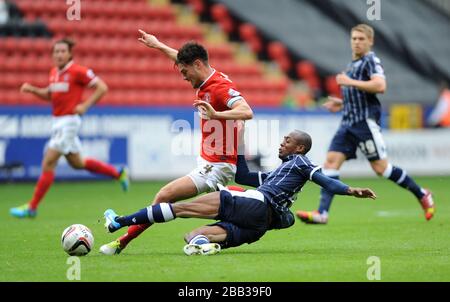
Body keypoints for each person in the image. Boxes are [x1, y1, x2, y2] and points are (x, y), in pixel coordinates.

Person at [98, 30, 254, 255]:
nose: (183, 76)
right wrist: (158, 45)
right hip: (211, 161)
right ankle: (120, 238)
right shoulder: (207, 77)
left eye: (184, 71)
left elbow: (246, 111)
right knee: (166, 199)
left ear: (198, 65)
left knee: (164, 196)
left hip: (216, 166)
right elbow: (180, 58)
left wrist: (216, 115)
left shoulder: (218, 87)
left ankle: (119, 238)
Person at [102, 130, 376, 255]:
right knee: (192, 236)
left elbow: (326, 181)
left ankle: (119, 222)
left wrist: (351, 190)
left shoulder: (302, 163)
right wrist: (241, 143)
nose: (282, 144)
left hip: (258, 203)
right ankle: (208, 246)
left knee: (180, 208)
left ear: (300, 148)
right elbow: (244, 176)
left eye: (287, 141)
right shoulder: (278, 175)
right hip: (259, 225)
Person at [296, 24, 435, 225]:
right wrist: (342, 103)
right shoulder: (352, 65)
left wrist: (349, 82)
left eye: (361, 39)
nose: (357, 42)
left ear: (370, 41)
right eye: (354, 38)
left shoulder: (371, 60)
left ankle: (422, 193)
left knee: (381, 169)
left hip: (363, 125)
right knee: (331, 163)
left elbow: (380, 85)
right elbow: (361, 95)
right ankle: (322, 213)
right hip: (347, 124)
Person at [9, 38, 129, 218]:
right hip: (57, 122)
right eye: (56, 51)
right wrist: (33, 90)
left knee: (48, 162)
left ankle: (32, 207)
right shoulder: (54, 73)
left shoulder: (78, 71)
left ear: (69, 53)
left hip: (69, 122)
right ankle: (118, 173)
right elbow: (51, 95)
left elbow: (102, 87)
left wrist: (85, 106)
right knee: (77, 163)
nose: (58, 54)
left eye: (62, 51)